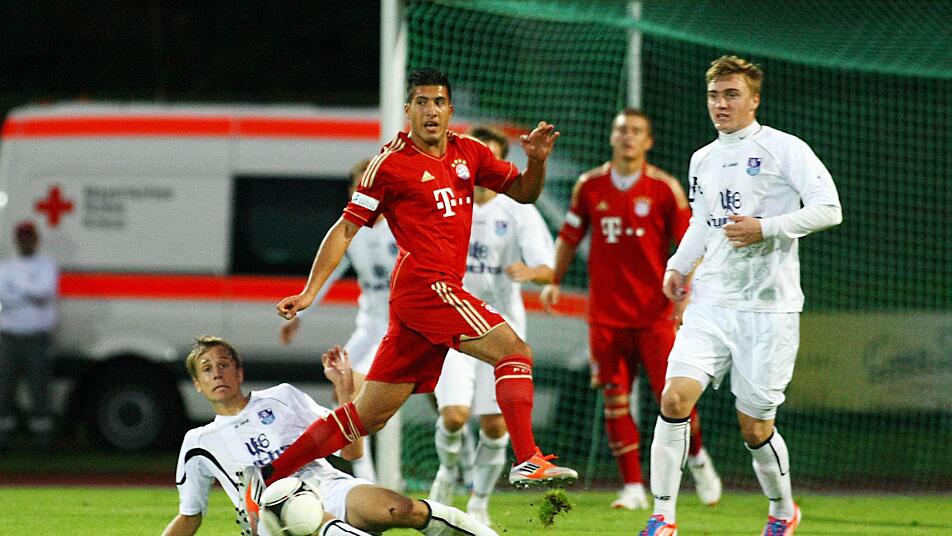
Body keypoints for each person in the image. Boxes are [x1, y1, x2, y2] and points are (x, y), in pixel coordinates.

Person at [243, 67, 577, 533]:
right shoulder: (390, 163)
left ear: (450, 110)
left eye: (438, 102)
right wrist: (309, 291)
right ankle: (528, 458)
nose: (430, 110)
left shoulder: (470, 152)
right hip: (427, 286)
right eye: (421, 102)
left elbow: (523, 192)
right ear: (408, 110)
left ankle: (265, 476)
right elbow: (345, 229)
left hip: (421, 301)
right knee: (515, 351)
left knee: (367, 416)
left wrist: (537, 162)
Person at [639, 55, 842, 536]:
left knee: (755, 429)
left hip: (769, 310)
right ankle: (663, 518)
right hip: (711, 302)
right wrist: (677, 265)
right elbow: (701, 221)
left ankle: (782, 510)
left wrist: (765, 228)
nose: (721, 104)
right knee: (674, 399)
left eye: (732, 95)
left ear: (754, 100)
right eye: (714, 95)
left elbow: (829, 208)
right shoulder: (703, 158)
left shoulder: (784, 148)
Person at [540, 109, 722, 510]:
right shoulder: (590, 186)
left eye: (636, 131)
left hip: (655, 314)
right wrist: (554, 278)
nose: (628, 136)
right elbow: (569, 236)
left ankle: (698, 459)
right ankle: (633, 487)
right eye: (622, 130)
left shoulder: (664, 188)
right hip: (606, 315)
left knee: (673, 395)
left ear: (648, 141)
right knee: (615, 398)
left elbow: (690, 245)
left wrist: (687, 294)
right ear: (612, 136)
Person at [161, 336, 496, 536]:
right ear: (197, 384)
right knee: (295, 505)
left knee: (401, 508)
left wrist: (344, 392)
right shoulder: (199, 443)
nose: (217, 374)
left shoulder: (283, 397)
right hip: (272, 515)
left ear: (239, 371)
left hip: (330, 487)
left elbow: (352, 453)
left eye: (224, 364)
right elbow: (190, 516)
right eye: (207, 369)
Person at [428, 126, 556, 525]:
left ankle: (480, 500)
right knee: (453, 415)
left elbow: (548, 267)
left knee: (495, 424)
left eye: (492, 157)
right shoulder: (446, 202)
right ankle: (447, 470)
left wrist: (530, 272)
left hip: (500, 330)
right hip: (454, 324)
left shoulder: (518, 210)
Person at [280, 158, 398, 483]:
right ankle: (366, 477)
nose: (369, 193)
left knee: (447, 410)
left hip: (402, 327)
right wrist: (301, 314)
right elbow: (329, 272)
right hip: (370, 326)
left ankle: (458, 464)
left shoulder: (401, 227)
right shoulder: (351, 232)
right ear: (352, 192)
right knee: (343, 390)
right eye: (361, 187)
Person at [0, 221, 58, 451]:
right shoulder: (6, 267)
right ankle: (4, 437)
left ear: (36, 240)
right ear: (17, 240)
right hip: (9, 336)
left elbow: (45, 293)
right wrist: (28, 295)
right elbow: (3, 297)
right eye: (22, 237)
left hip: (36, 336)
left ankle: (43, 440)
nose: (26, 241)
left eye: (29, 237)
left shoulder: (47, 266)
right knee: (4, 388)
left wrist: (17, 292)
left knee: (39, 388)